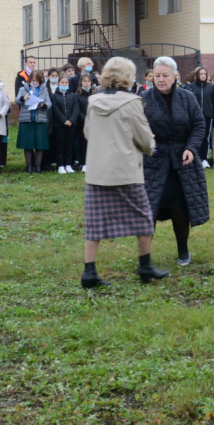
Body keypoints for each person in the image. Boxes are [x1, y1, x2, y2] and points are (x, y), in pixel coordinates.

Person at [79, 56, 164, 288]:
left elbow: (88, 132)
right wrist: (149, 147)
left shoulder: (93, 101)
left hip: (97, 172)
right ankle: (145, 266)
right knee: (144, 218)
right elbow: (145, 139)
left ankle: (89, 272)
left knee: (95, 223)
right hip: (125, 170)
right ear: (128, 77)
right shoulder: (132, 102)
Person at [141, 56, 209, 267]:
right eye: (157, 75)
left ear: (175, 76)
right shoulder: (143, 97)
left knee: (180, 208)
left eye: (165, 75)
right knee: (150, 208)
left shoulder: (188, 98)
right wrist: (143, 137)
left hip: (182, 162)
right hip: (153, 161)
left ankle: (183, 250)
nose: (160, 79)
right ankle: (145, 258)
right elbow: (132, 125)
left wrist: (190, 148)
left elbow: (199, 125)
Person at [16, 70, 51, 174]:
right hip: (27, 120)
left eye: (37, 81)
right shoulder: (23, 89)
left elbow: (49, 103)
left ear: (40, 81)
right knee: (28, 144)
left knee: (40, 145)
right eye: (33, 80)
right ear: (29, 80)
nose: (35, 82)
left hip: (39, 120)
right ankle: (29, 167)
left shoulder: (44, 90)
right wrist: (23, 98)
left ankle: (39, 167)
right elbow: (17, 100)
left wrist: (43, 105)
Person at [183, 66, 214, 168]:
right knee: (195, 137)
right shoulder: (191, 87)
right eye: (201, 74)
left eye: (205, 74)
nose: (203, 76)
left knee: (205, 137)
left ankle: (204, 158)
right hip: (195, 116)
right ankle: (196, 158)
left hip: (207, 116)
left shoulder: (210, 87)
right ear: (197, 75)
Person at [49, 74, 80, 174]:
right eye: (62, 83)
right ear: (59, 83)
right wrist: (64, 120)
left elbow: (76, 109)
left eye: (66, 83)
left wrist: (71, 120)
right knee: (60, 145)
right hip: (59, 125)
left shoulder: (73, 95)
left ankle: (68, 164)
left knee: (69, 145)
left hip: (71, 125)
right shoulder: (54, 96)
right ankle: (60, 165)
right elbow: (55, 109)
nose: (64, 84)